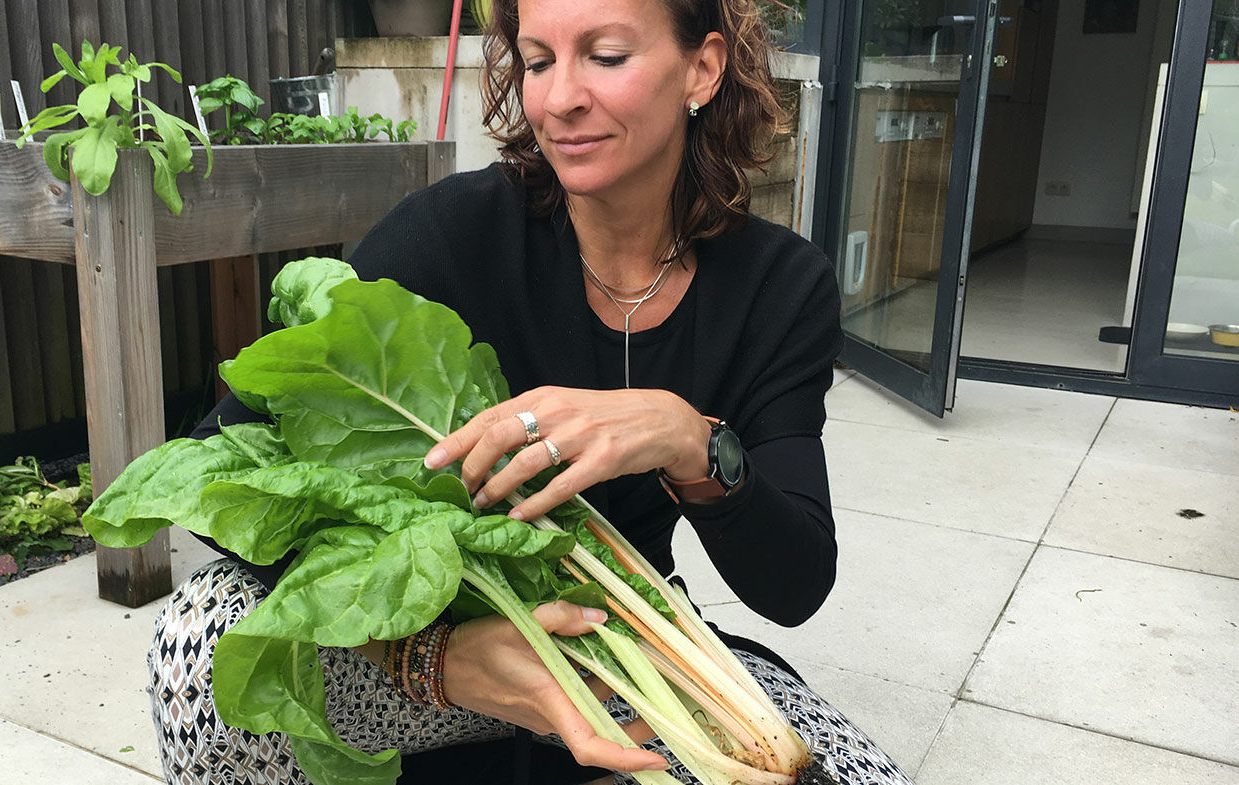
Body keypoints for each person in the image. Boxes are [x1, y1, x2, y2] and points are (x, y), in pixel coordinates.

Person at [148, 0, 915, 783]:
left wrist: (688, 438)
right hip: (450, 664)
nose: (557, 99)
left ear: (703, 68)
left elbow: (794, 583)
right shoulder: (454, 235)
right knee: (195, 647)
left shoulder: (779, 287)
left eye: (607, 56)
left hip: (621, 654)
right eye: (540, 60)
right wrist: (431, 654)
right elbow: (219, 466)